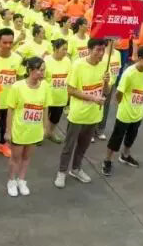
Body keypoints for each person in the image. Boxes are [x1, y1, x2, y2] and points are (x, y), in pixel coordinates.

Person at [55, 37, 111, 188]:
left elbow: (106, 91)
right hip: (78, 114)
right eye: (98, 50)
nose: (101, 53)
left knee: (83, 146)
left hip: (94, 115)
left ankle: (76, 169)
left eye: (103, 50)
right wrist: (93, 98)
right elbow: (71, 90)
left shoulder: (105, 66)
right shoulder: (78, 65)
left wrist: (106, 82)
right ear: (89, 50)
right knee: (69, 145)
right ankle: (61, 171)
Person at [102, 45, 143, 175]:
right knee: (116, 138)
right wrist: (123, 105)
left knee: (131, 136)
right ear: (140, 58)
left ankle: (125, 155)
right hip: (125, 113)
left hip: (138, 113)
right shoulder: (129, 73)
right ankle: (107, 160)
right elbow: (118, 94)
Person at [5, 56, 47, 197]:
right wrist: (8, 131)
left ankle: (21, 180)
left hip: (34, 130)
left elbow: (45, 108)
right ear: (30, 70)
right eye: (40, 70)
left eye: (44, 70)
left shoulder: (45, 86)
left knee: (27, 157)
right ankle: (11, 181)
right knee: (15, 158)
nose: (42, 73)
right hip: (19, 130)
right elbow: (10, 109)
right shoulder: (17, 87)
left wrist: (44, 127)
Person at [0, 27, 24, 158]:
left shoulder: (17, 59)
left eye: (10, 42)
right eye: (5, 42)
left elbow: (20, 79)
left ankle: (3, 145)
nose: (8, 45)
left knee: (6, 126)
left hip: (10, 102)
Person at [43, 39, 71, 143]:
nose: (65, 52)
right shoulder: (46, 60)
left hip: (61, 97)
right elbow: (42, 78)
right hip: (48, 96)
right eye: (63, 49)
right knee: (44, 117)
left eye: (66, 49)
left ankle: (50, 133)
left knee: (55, 119)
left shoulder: (67, 61)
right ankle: (41, 134)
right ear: (55, 49)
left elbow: (70, 77)